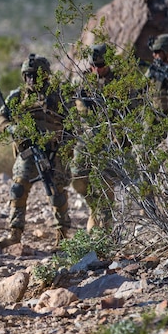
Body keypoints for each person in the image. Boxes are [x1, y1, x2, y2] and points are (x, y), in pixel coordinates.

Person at [0, 53, 71, 248]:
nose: (30, 79)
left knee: (56, 191)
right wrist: (12, 128)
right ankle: (15, 233)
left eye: (34, 75)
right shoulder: (17, 96)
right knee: (18, 188)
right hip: (28, 150)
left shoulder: (58, 95)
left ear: (44, 76)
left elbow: (72, 122)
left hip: (53, 151)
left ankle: (61, 235)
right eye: (27, 75)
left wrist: (63, 143)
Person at [70, 44, 117, 232]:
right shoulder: (82, 81)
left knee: (104, 182)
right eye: (94, 65)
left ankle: (105, 230)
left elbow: (133, 108)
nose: (97, 69)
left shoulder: (119, 82)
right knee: (78, 177)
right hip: (85, 139)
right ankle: (93, 208)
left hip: (109, 139)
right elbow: (69, 110)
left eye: (101, 65)